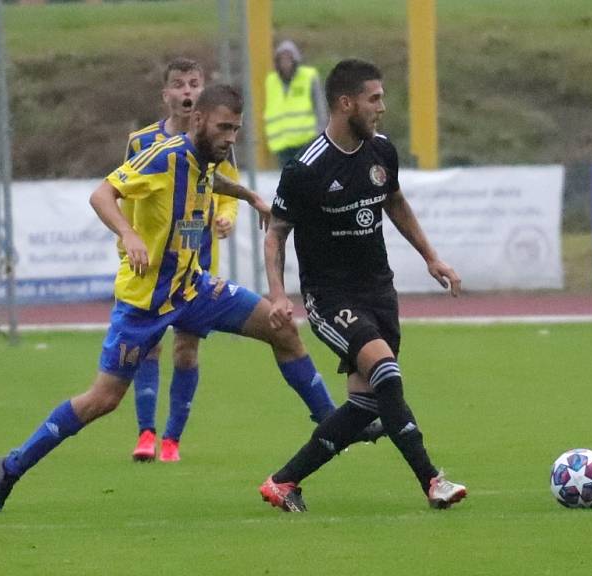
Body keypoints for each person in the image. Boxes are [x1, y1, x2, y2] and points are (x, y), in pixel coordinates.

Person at [0, 84, 341, 512]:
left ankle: (335, 422)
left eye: (237, 130)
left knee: (282, 328)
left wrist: (250, 197)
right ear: (200, 120)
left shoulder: (206, 160)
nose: (230, 138)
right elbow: (102, 194)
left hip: (195, 287)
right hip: (144, 303)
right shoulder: (165, 156)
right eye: (224, 128)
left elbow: (211, 180)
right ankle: (12, 466)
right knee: (103, 399)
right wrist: (129, 233)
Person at [259, 59, 467, 512]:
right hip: (330, 297)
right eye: (374, 99)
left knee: (367, 406)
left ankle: (283, 482)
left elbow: (394, 201)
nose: (382, 108)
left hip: (378, 291)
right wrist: (279, 294)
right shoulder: (306, 168)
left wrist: (432, 257)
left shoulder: (381, 152)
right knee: (386, 373)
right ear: (345, 103)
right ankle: (432, 480)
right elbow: (275, 233)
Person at [122, 58, 240, 463]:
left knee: (186, 351)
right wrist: (128, 243)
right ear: (166, 95)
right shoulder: (141, 142)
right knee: (148, 346)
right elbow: (123, 194)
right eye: (179, 85)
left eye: (194, 83)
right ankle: (145, 433)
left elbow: (228, 191)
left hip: (199, 263)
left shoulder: (217, 138)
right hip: (153, 267)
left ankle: (172, 438)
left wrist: (226, 215)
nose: (187, 91)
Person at [263, 40, 327, 168]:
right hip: (281, 143)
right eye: (282, 59)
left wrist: (320, 132)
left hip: (306, 140)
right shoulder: (271, 81)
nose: (285, 63)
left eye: (288, 58)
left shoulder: (308, 76)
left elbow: (320, 106)